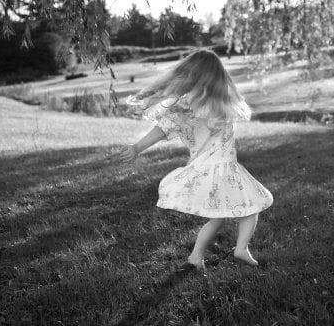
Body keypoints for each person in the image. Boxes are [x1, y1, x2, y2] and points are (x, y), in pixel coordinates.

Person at [117, 49, 273, 270]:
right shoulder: (205, 104)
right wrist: (137, 147)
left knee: (224, 215)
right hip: (219, 168)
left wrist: (138, 147)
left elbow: (165, 127)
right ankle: (235, 249)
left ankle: (202, 256)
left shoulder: (199, 104)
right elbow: (165, 127)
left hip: (214, 169)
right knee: (250, 206)